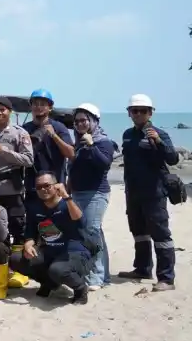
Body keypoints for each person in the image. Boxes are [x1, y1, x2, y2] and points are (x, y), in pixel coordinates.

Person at [117, 94, 178, 291]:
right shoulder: (127, 134)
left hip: (154, 193)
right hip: (133, 192)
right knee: (139, 233)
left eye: (143, 110)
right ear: (129, 113)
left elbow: (173, 159)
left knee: (160, 235)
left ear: (150, 112)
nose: (139, 114)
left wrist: (158, 141)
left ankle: (166, 278)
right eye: (135, 110)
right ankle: (142, 269)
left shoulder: (158, 133)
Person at [11, 172, 94, 304]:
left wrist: (66, 196)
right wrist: (28, 245)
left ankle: (80, 288)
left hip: (75, 253)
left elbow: (81, 222)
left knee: (57, 270)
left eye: (47, 185)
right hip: (49, 251)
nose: (43, 190)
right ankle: (49, 283)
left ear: (57, 186)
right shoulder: (35, 208)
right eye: (39, 187)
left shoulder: (68, 203)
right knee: (16, 259)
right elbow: (30, 234)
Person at [0, 96, 33, 290]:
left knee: (17, 227)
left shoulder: (20, 133)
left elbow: (29, 160)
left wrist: (5, 152)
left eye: (2, 110)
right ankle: (3, 268)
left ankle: (20, 272)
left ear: (9, 112)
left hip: (13, 189)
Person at [67, 103, 114, 291]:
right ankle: (104, 276)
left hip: (96, 193)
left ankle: (95, 278)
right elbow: (73, 169)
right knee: (94, 234)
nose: (80, 124)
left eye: (84, 120)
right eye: (77, 121)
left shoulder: (103, 141)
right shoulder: (78, 143)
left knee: (91, 233)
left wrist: (91, 145)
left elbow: (104, 164)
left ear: (94, 121)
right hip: (79, 193)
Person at [22, 89, 74, 205]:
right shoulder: (24, 129)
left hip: (55, 186)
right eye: (35, 104)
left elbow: (71, 154)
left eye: (43, 104)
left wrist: (54, 136)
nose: (38, 107)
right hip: (32, 187)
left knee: (57, 222)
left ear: (50, 107)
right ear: (31, 106)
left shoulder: (59, 127)